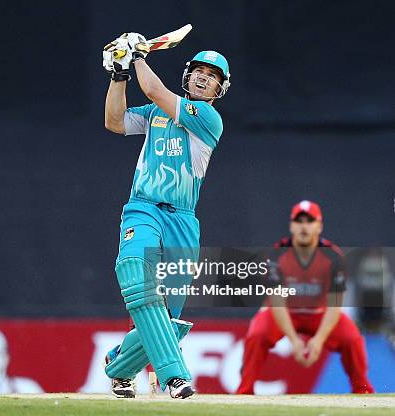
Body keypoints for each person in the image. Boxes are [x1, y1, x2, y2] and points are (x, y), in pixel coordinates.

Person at [101, 33, 231, 398]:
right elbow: (114, 122)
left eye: (213, 75)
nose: (204, 78)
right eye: (199, 71)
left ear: (220, 88)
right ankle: (175, 375)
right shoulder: (156, 113)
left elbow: (157, 91)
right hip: (144, 207)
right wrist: (118, 74)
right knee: (134, 274)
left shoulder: (207, 118)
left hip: (183, 220)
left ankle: (119, 367)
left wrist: (137, 56)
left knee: (166, 316)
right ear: (188, 74)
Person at [236, 200, 374, 394]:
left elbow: (335, 305)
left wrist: (318, 340)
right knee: (257, 334)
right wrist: (294, 340)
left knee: (352, 338)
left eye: (310, 221)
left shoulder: (333, 257)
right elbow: (276, 303)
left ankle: (363, 391)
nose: (304, 226)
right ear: (291, 226)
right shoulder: (277, 254)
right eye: (299, 221)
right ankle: (244, 391)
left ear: (320, 226)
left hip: (319, 312)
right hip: (284, 312)